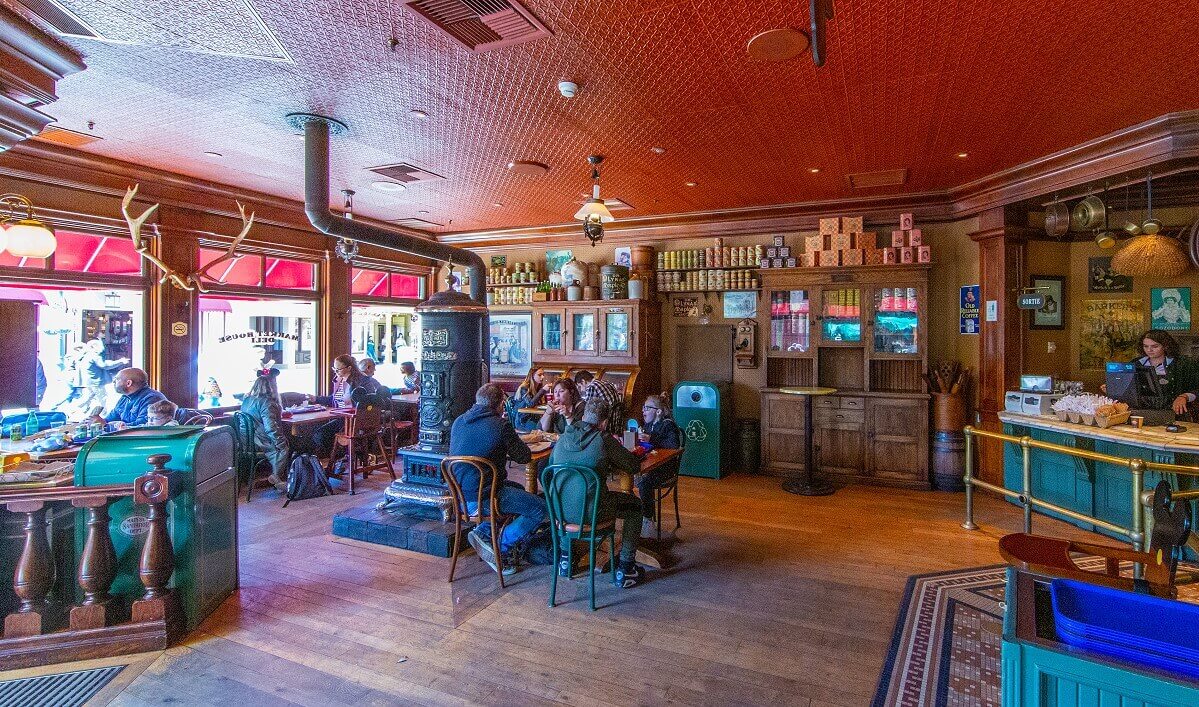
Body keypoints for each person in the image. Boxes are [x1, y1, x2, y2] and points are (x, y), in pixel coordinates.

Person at [547, 397, 646, 588]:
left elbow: (551, 467)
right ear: (604, 423)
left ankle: (565, 561)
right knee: (635, 506)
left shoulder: (563, 437)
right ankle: (626, 568)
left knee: (570, 501)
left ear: (584, 416)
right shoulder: (603, 439)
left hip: (558, 511)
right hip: (592, 513)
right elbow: (632, 466)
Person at [447, 384, 541, 576]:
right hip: (485, 498)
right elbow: (523, 457)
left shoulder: (458, 421)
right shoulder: (500, 425)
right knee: (540, 509)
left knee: (516, 488)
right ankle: (499, 545)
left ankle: (485, 531)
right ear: (500, 404)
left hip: (460, 499)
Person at [1102, 330, 1199, 416]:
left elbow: (1196, 388)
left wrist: (1184, 397)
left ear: (1166, 346)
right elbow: (1127, 389)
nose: (1149, 350)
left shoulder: (1183, 364)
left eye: (1155, 346)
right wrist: (1113, 389)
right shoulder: (1135, 363)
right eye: (1146, 346)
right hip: (1141, 413)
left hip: (1176, 415)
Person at [635, 394, 681, 531]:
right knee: (632, 477)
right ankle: (636, 515)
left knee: (644, 482)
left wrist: (652, 440)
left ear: (658, 411)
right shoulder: (649, 425)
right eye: (643, 408)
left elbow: (673, 445)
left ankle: (647, 519)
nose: (643, 411)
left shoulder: (668, 425)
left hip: (665, 469)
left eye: (647, 408)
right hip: (650, 465)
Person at [240, 367, 291, 491]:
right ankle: (277, 476)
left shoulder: (247, 400)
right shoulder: (267, 403)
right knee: (285, 446)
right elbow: (271, 428)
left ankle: (278, 477)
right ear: (272, 386)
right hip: (260, 442)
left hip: (246, 442)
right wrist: (280, 441)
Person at [311, 354, 368, 457]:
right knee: (315, 431)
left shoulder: (359, 382)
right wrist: (316, 399)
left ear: (349, 368)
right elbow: (333, 399)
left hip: (351, 420)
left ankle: (340, 456)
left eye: (339, 369)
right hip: (340, 416)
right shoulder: (339, 380)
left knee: (320, 435)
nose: (336, 372)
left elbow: (362, 403)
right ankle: (341, 456)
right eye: (334, 369)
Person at [90, 368, 166, 427]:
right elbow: (109, 419)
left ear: (128, 383)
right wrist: (96, 421)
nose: (113, 382)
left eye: (117, 379)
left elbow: (142, 427)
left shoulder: (152, 399)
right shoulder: (124, 398)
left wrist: (106, 426)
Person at [77, 339, 128, 415]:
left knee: (89, 397)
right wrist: (120, 361)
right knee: (102, 398)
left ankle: (77, 409)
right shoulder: (94, 355)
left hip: (89, 380)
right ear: (94, 347)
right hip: (96, 381)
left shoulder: (86, 355)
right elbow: (104, 365)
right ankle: (104, 414)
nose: (102, 348)